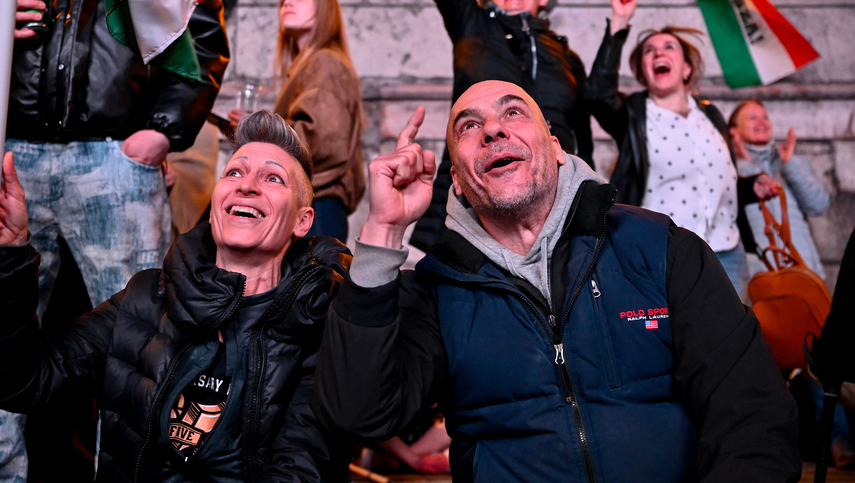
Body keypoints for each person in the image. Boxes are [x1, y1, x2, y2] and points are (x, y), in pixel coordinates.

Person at [314, 80, 802, 482]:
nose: (491, 131)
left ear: (556, 149)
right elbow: (361, 412)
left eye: (513, 113)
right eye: (469, 126)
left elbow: (752, 415)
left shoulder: (660, 247)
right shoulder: (435, 288)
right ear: (457, 182)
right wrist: (384, 232)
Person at [0, 0, 230, 480]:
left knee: (147, 339)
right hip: (13, 153)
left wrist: (161, 132)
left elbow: (203, 37)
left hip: (113, 154)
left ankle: (137, 476)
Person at [0, 111, 351, 482]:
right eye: (234, 171)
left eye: (273, 179)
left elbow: (303, 468)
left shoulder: (320, 322)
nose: (246, 184)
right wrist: (9, 253)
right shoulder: (146, 297)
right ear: (216, 202)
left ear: (303, 221)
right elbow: (19, 380)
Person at [391, 0, 598, 251]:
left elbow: (583, 134)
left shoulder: (565, 55)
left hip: (560, 205)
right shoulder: (473, 25)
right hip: (473, 199)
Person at [583, 0, 779, 296]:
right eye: (650, 51)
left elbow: (712, 183)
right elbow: (596, 94)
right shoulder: (634, 113)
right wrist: (620, 21)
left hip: (727, 251)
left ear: (686, 68)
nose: (659, 53)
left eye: (668, 47)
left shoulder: (711, 115)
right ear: (643, 71)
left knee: (731, 339)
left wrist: (750, 186)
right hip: (663, 253)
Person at [230, 0, 365, 243]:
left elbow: (322, 139)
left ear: (324, 10)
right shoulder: (308, 65)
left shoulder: (325, 61)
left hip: (319, 209)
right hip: (313, 207)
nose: (287, 2)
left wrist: (259, 131)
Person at [729, 99, 829, 277]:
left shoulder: (790, 162)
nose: (762, 123)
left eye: (765, 117)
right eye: (752, 118)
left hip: (806, 271)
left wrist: (790, 165)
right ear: (733, 131)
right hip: (762, 278)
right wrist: (745, 164)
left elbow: (819, 205)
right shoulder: (728, 170)